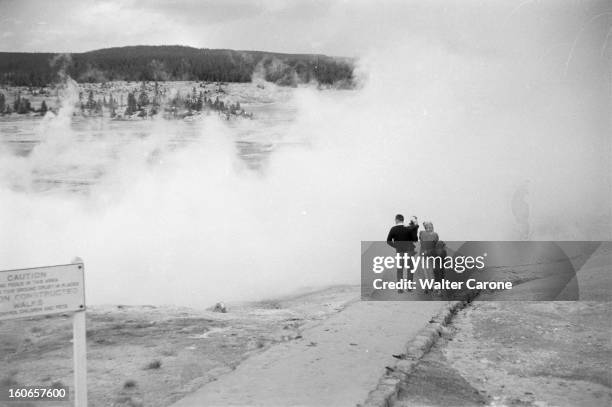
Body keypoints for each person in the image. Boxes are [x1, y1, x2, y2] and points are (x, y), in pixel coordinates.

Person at [387, 214, 418, 293]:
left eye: (395, 219)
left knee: (400, 270)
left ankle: (400, 288)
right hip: (409, 251)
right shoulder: (408, 229)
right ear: (403, 220)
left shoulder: (393, 229)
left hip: (400, 252)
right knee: (410, 269)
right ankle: (409, 287)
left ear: (397, 220)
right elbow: (415, 239)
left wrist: (396, 246)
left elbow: (388, 241)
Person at [419, 221, 440, 295]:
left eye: (431, 227)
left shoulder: (423, 233)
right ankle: (430, 287)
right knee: (427, 272)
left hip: (429, 255)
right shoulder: (432, 235)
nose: (431, 228)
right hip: (426, 255)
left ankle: (431, 287)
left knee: (429, 272)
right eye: (430, 227)